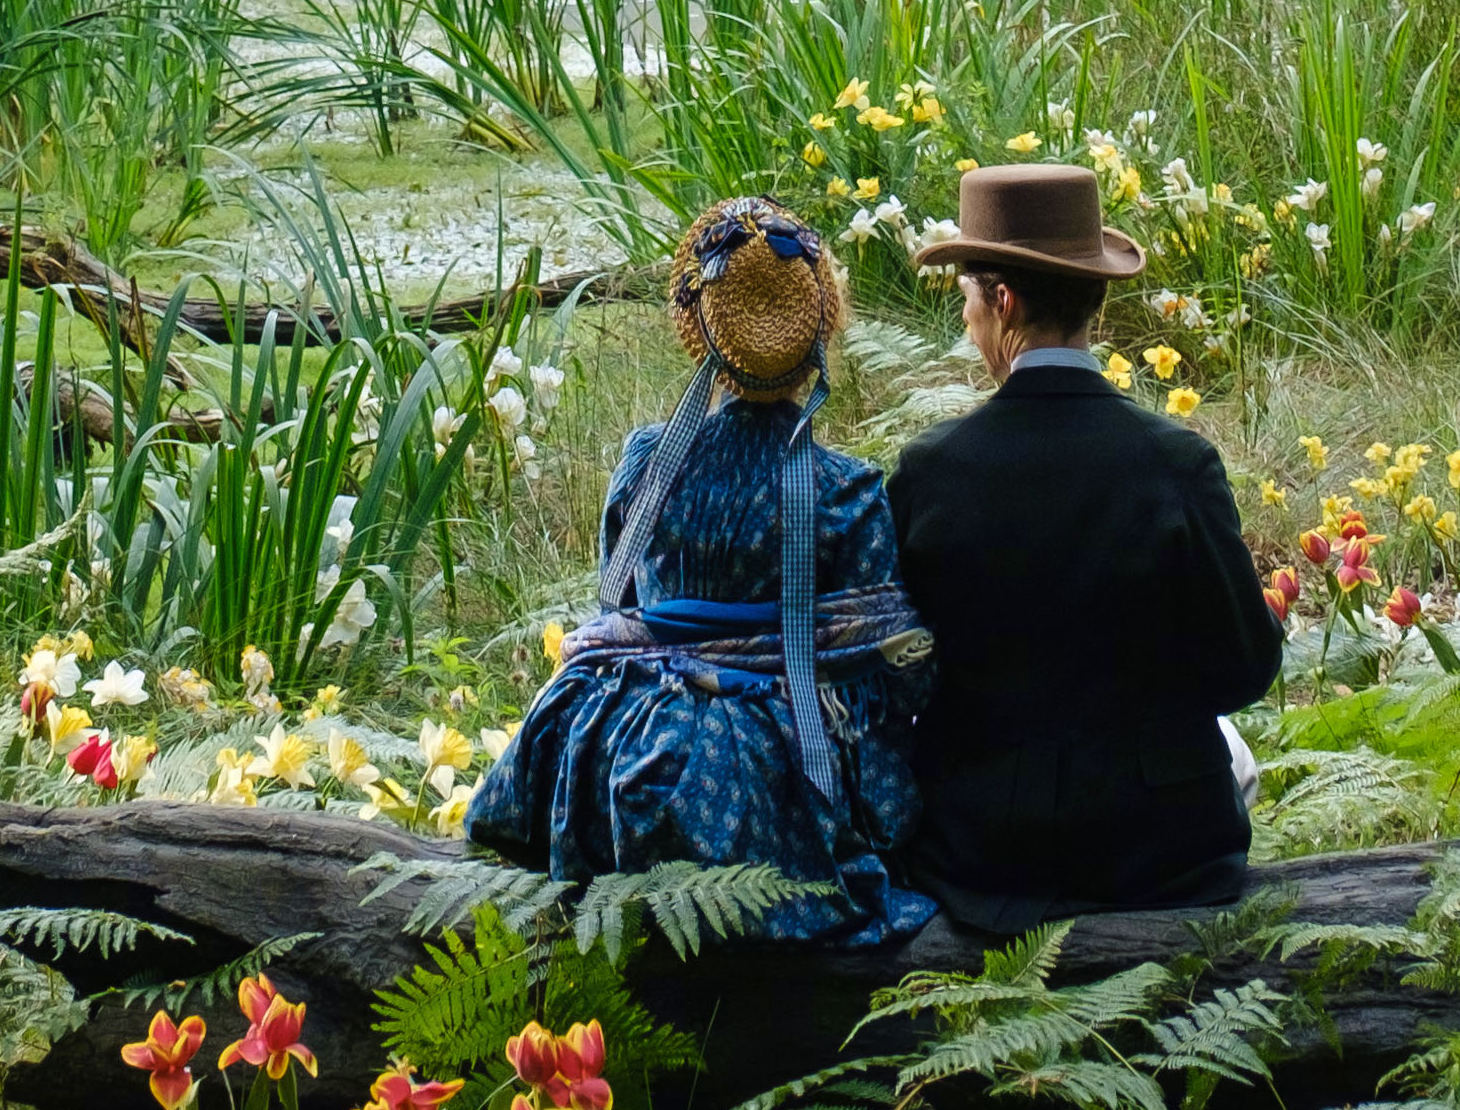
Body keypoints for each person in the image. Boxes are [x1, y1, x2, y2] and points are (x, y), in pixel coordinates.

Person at [467, 195, 939, 944]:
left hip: (626, 739)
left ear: (699, 336)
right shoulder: (845, 489)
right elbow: (890, 673)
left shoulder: (648, 460)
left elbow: (616, 613)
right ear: (824, 330)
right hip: (771, 764)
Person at [889, 162, 1282, 933]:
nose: (968, 324)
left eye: (968, 298)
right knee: (1231, 749)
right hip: (1160, 848)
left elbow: (900, 676)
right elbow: (1243, 668)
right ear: (1093, 298)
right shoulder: (1176, 462)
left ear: (1001, 300)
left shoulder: (932, 470)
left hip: (982, 853)